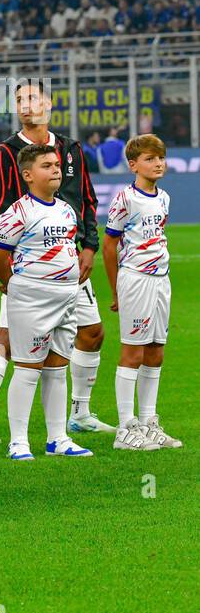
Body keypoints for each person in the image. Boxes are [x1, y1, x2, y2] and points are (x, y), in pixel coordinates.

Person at [0, 81, 112, 445]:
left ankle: (79, 414)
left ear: (49, 103)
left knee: (92, 333)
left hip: (71, 261)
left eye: (32, 97)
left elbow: (87, 201)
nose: (25, 104)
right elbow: (2, 210)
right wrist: (14, 271)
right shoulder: (6, 153)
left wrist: (90, 247)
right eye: (19, 100)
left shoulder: (72, 150)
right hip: (30, 267)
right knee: (8, 340)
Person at [0, 144, 93, 461]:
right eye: (47, 165)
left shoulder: (65, 209)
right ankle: (18, 441)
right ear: (28, 175)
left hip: (66, 297)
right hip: (31, 297)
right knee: (27, 367)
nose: (57, 169)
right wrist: (12, 284)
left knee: (58, 368)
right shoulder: (18, 212)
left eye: (58, 164)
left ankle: (57, 438)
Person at [104, 134, 183, 449]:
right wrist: (116, 290)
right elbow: (109, 246)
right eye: (150, 159)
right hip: (135, 279)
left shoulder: (164, 197)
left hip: (161, 279)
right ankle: (125, 428)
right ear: (133, 164)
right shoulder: (125, 198)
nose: (158, 163)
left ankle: (149, 422)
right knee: (133, 351)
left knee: (155, 351)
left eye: (161, 158)